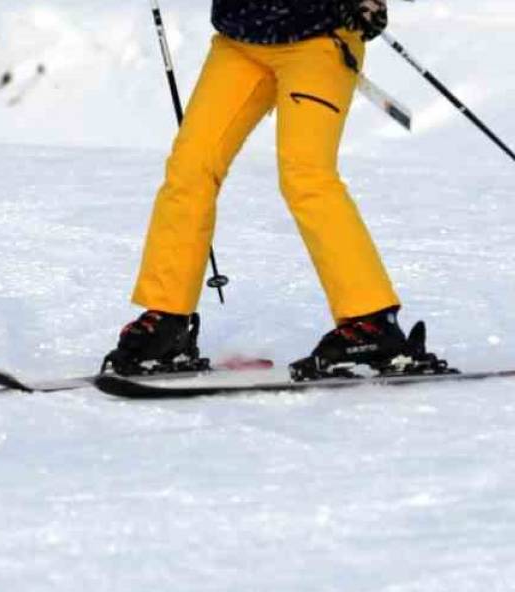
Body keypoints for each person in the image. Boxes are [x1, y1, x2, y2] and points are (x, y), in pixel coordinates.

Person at [103, 0, 437, 381]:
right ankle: (168, 320)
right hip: (240, 40)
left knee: (306, 175)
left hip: (319, 38)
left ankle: (372, 322)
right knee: (189, 169)